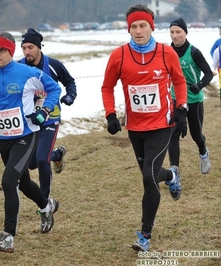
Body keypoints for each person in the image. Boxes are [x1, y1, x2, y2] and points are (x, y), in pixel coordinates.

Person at [101, 4, 188, 252]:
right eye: (133, 27)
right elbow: (107, 87)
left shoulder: (165, 53)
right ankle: (171, 175)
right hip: (135, 128)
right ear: (128, 29)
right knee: (149, 174)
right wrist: (110, 114)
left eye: (143, 26)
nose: (138, 31)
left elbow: (180, 81)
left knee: (149, 178)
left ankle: (145, 234)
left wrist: (181, 109)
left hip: (162, 125)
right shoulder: (118, 56)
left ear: (152, 26)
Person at [0, 31, 61, 253]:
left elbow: (54, 89)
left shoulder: (28, 73)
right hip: (3, 138)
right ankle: (47, 206)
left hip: (26, 135)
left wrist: (44, 111)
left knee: (9, 181)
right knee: (24, 183)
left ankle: (7, 236)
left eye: (2, 50)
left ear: (11, 51)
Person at [19, 28, 77, 199]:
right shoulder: (19, 67)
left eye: (31, 47)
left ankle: (45, 202)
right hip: (29, 121)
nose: (27, 51)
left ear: (39, 47)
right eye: (24, 48)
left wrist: (70, 95)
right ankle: (57, 154)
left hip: (50, 119)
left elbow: (69, 82)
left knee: (43, 160)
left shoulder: (53, 65)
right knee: (32, 163)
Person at [168, 18, 213, 174]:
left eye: (178, 32)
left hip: (194, 100)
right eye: (172, 32)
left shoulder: (194, 52)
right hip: (175, 99)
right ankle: (174, 172)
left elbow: (208, 73)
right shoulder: (167, 52)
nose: (175, 36)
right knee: (173, 135)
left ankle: (203, 153)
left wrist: (199, 85)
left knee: (196, 135)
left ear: (185, 33)